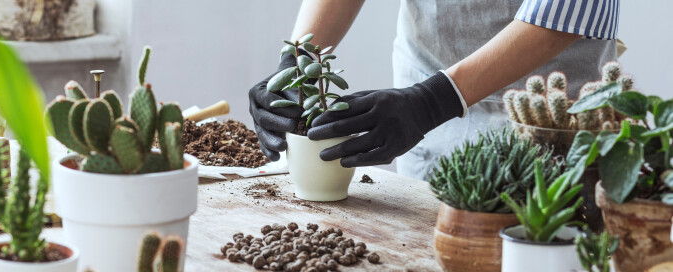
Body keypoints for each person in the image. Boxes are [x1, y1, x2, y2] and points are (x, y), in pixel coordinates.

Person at [249, 0, 618, 180]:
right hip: (424, 119)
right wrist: (297, 61)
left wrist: (432, 101)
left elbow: (568, 12)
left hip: (547, 120)